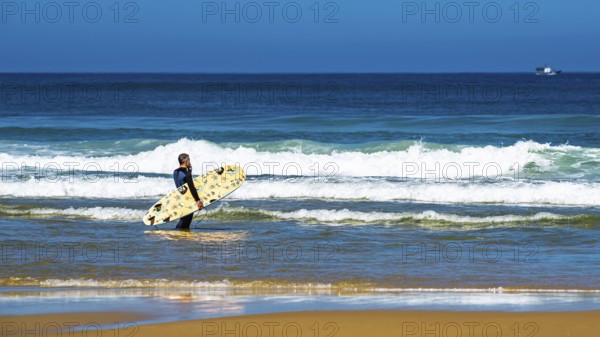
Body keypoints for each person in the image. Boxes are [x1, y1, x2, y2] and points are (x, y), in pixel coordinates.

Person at [173, 153, 204, 229]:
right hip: (188, 199)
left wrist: (189, 172)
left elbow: (182, 184)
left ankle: (182, 235)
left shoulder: (175, 172)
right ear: (186, 160)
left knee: (183, 219)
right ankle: (177, 232)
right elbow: (191, 187)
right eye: (189, 159)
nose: (190, 161)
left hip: (181, 198)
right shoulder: (186, 173)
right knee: (186, 221)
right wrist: (198, 200)